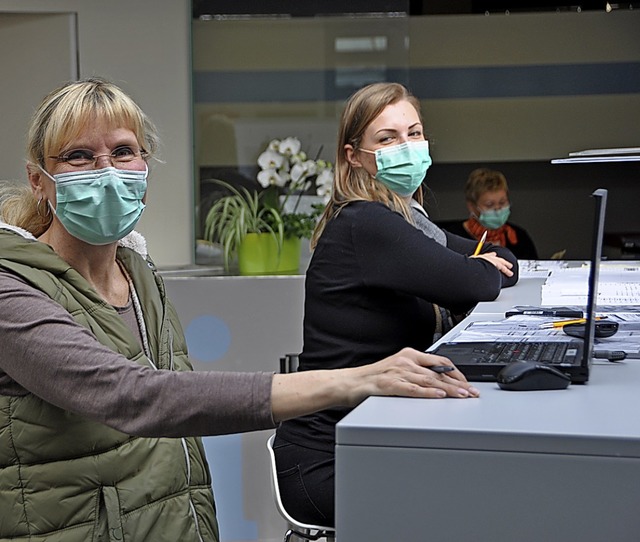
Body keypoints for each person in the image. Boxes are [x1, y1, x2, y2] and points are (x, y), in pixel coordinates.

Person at [0, 78, 483, 542]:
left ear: (144, 168)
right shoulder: (12, 288)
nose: (106, 170)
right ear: (38, 180)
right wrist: (357, 378)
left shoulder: (137, 270)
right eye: (79, 156)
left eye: (123, 152)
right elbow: (134, 396)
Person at [274, 82, 519, 527]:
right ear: (354, 156)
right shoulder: (366, 223)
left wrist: (486, 261)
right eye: (386, 139)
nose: (405, 147)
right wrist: (484, 264)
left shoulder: (406, 219)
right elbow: (473, 280)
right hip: (330, 459)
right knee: (483, 505)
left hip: (376, 435)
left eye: (414, 133)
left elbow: (497, 256)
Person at [439, 167, 539, 260]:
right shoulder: (454, 238)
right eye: (489, 205)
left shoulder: (519, 237)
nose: (497, 209)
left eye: (502, 202)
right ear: (472, 206)